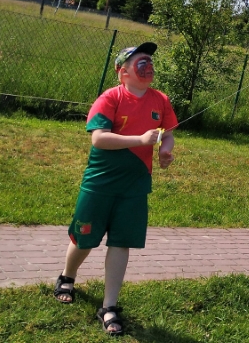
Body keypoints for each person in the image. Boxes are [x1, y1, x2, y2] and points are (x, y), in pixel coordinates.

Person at [53, 42, 177, 336]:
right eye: (140, 62)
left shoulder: (161, 99)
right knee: (84, 238)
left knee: (121, 242)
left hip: (135, 185)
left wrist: (164, 152)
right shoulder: (110, 97)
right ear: (123, 72)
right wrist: (140, 140)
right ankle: (67, 277)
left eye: (149, 62)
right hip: (100, 182)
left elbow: (168, 134)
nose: (148, 67)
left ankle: (109, 307)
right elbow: (99, 139)